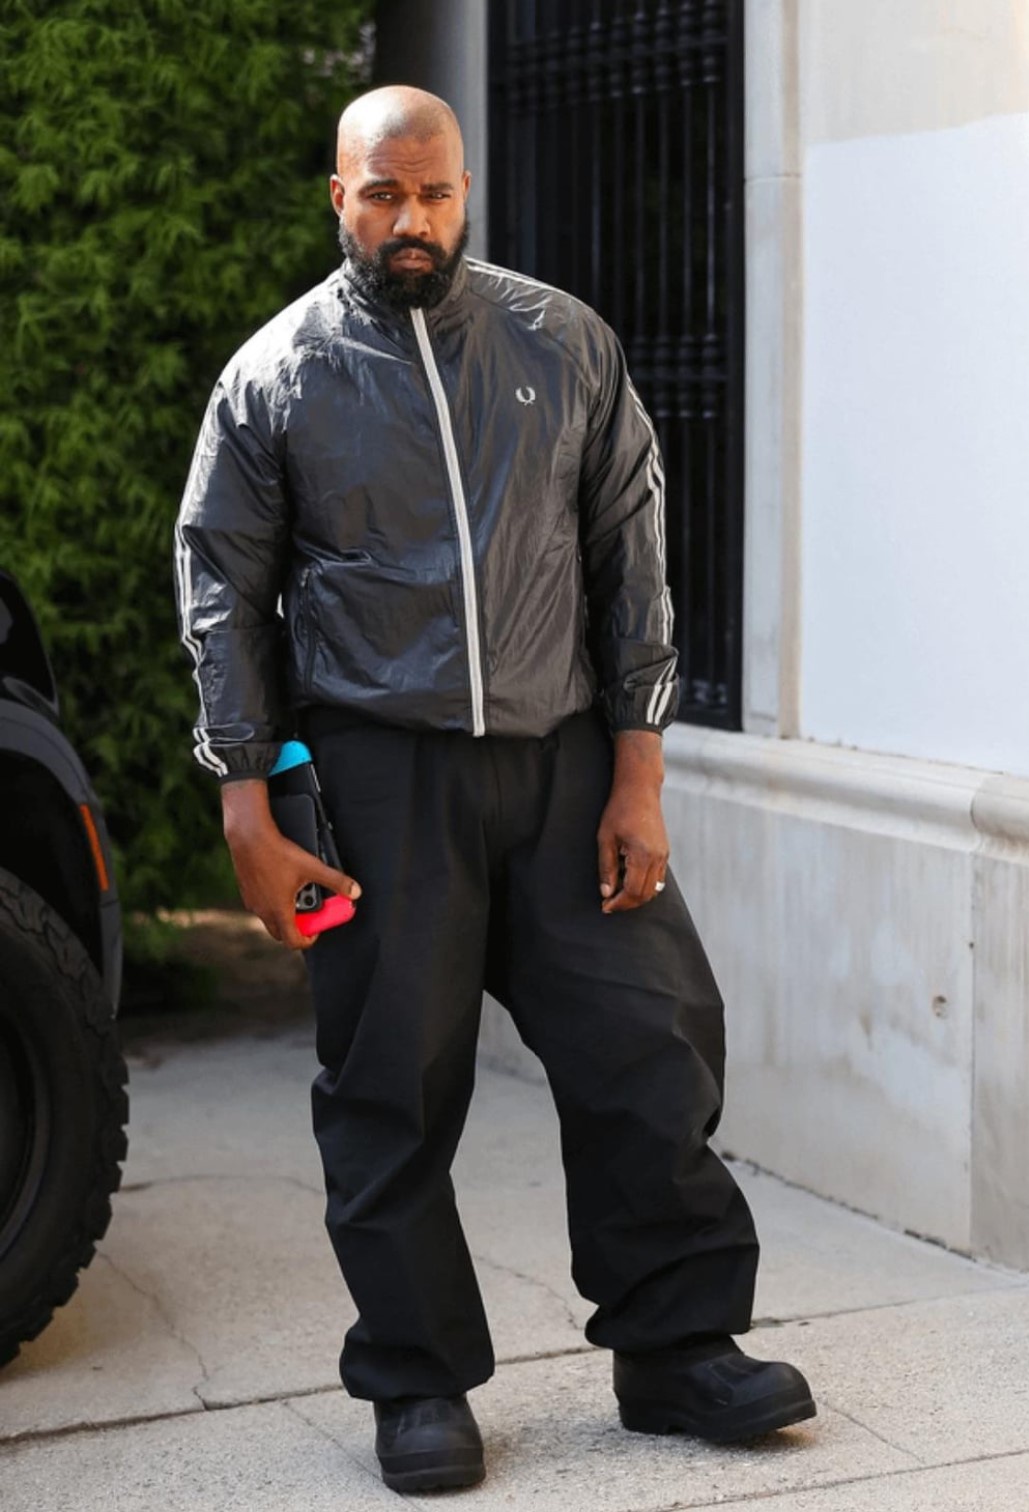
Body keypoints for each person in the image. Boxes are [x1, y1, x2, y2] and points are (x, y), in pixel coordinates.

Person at [174, 85, 815, 1495]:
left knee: (652, 1044)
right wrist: (246, 807)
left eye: (435, 192)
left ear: (465, 190)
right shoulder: (275, 377)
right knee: (389, 1087)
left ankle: (677, 1346)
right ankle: (417, 1379)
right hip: (374, 781)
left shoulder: (560, 339)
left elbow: (631, 556)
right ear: (337, 197)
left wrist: (638, 772)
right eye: (383, 194)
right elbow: (222, 593)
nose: (412, 220)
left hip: (566, 761)